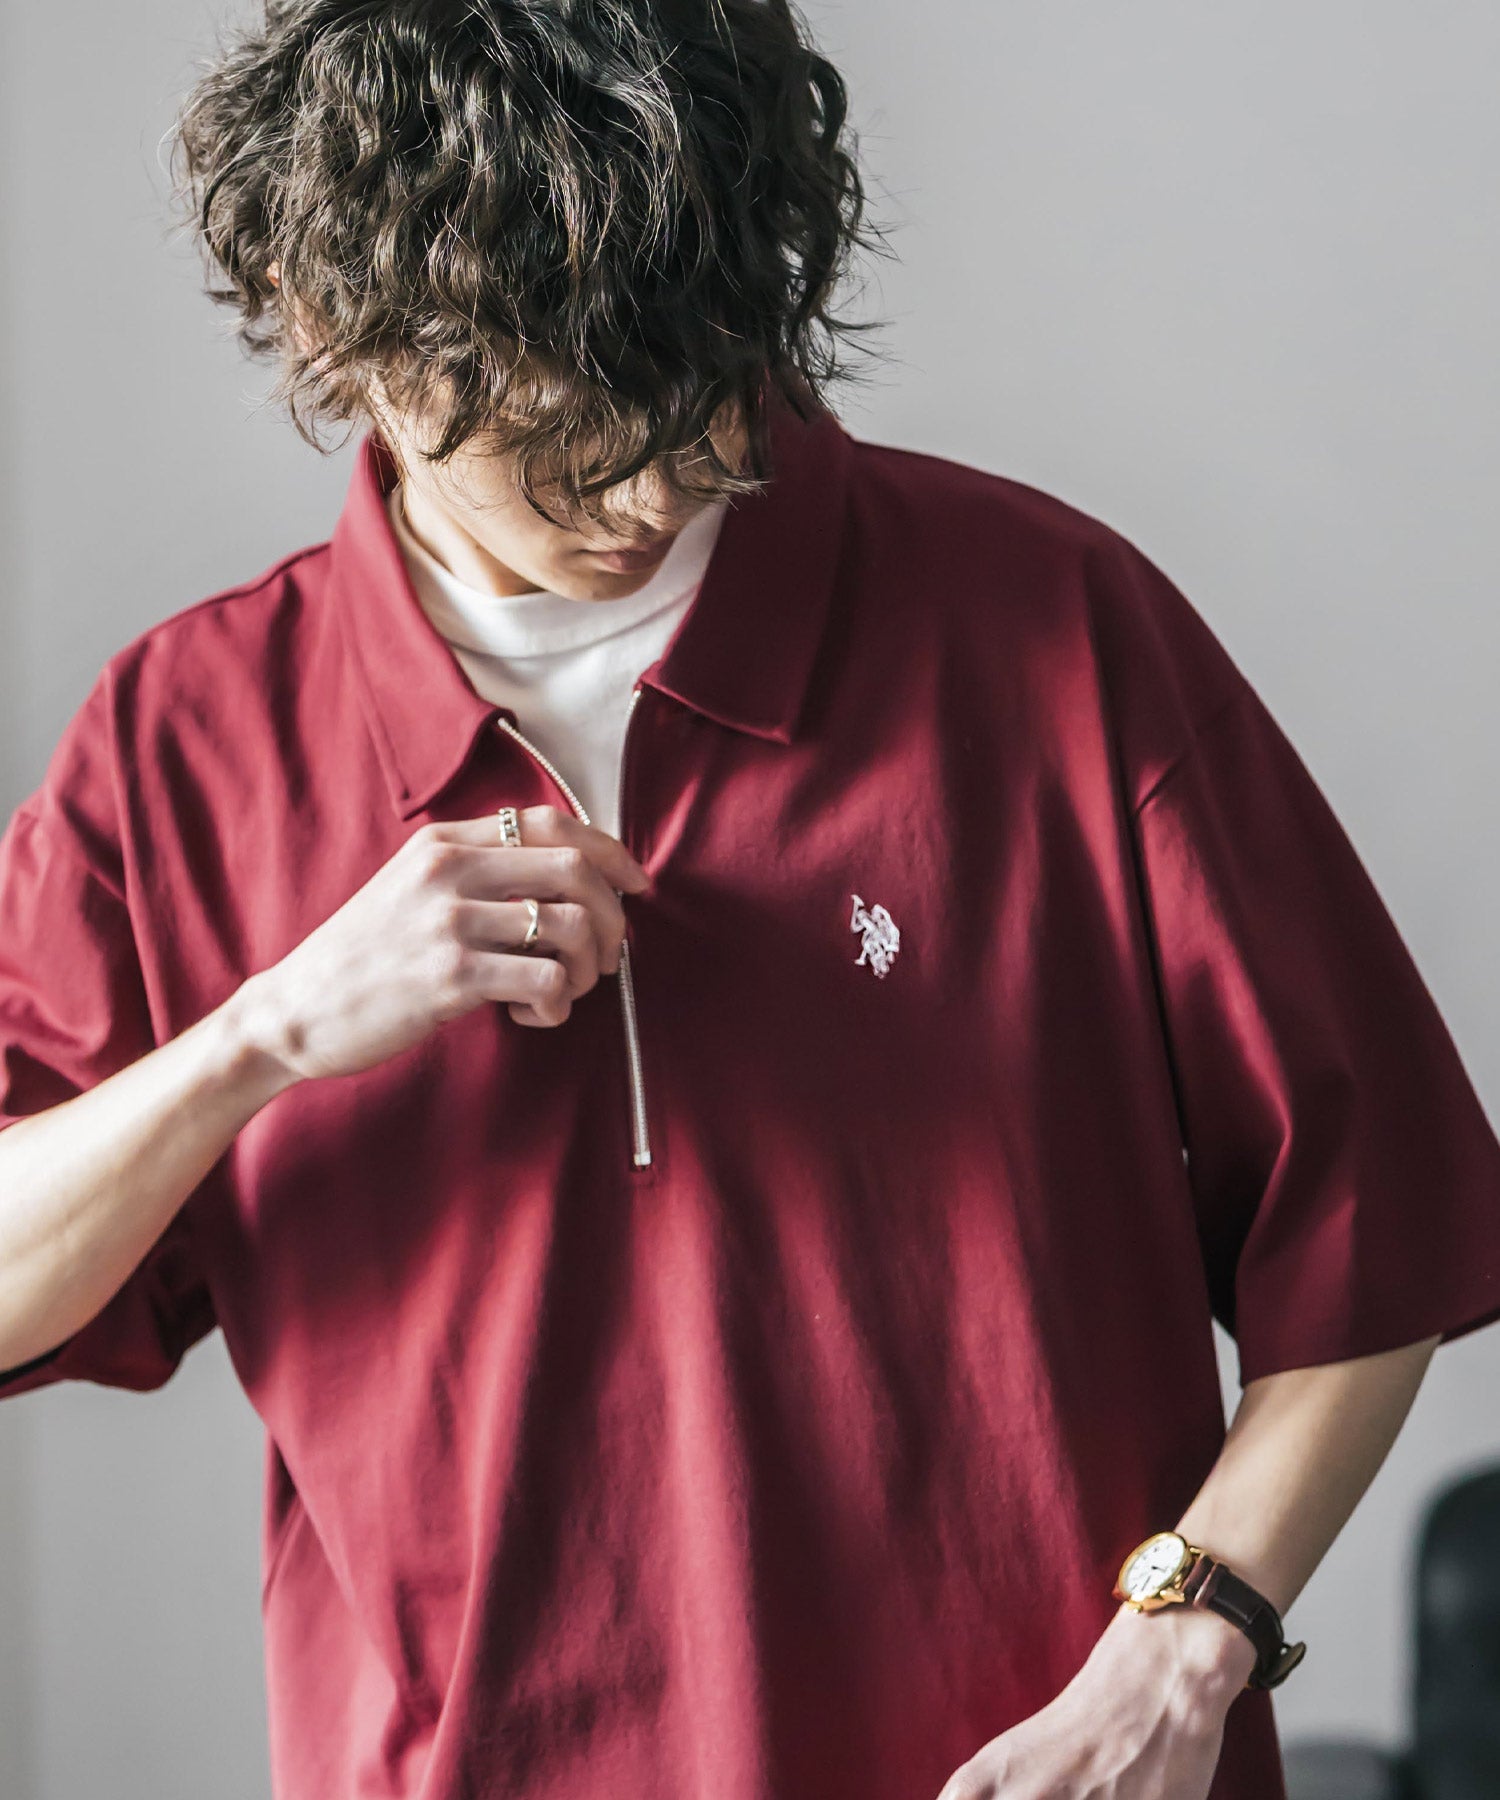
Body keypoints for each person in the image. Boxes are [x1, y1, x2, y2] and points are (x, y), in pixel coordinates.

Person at [1, 3, 1497, 1797]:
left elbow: (1382, 1222)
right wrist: (265, 1034)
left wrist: (1188, 1651)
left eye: (699, 393)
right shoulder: (179, 744)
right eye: (569, 433)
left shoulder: (1052, 629)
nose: (655, 485)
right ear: (347, 338)